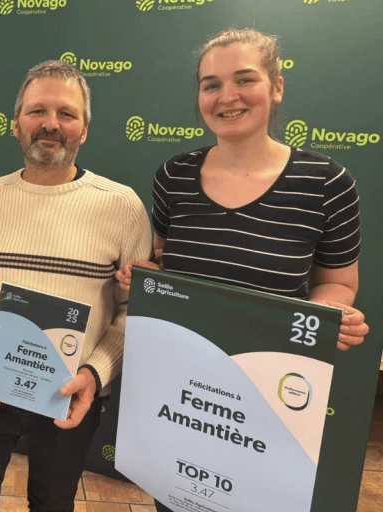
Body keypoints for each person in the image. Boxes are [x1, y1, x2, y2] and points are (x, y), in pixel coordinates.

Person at [114, 29, 369, 512]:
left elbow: (337, 281)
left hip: (268, 395)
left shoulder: (328, 183)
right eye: (211, 84)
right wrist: (148, 276)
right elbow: (166, 259)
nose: (226, 97)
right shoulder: (174, 177)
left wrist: (327, 320)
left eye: (243, 80)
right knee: (177, 499)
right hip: (182, 390)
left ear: (276, 87)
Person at [0, 60, 153, 512]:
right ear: (16, 123)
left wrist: (95, 372)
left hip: (69, 394)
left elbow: (131, 310)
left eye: (66, 113)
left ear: (85, 128)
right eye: (37, 111)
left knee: (52, 504)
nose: (50, 124)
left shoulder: (122, 208)